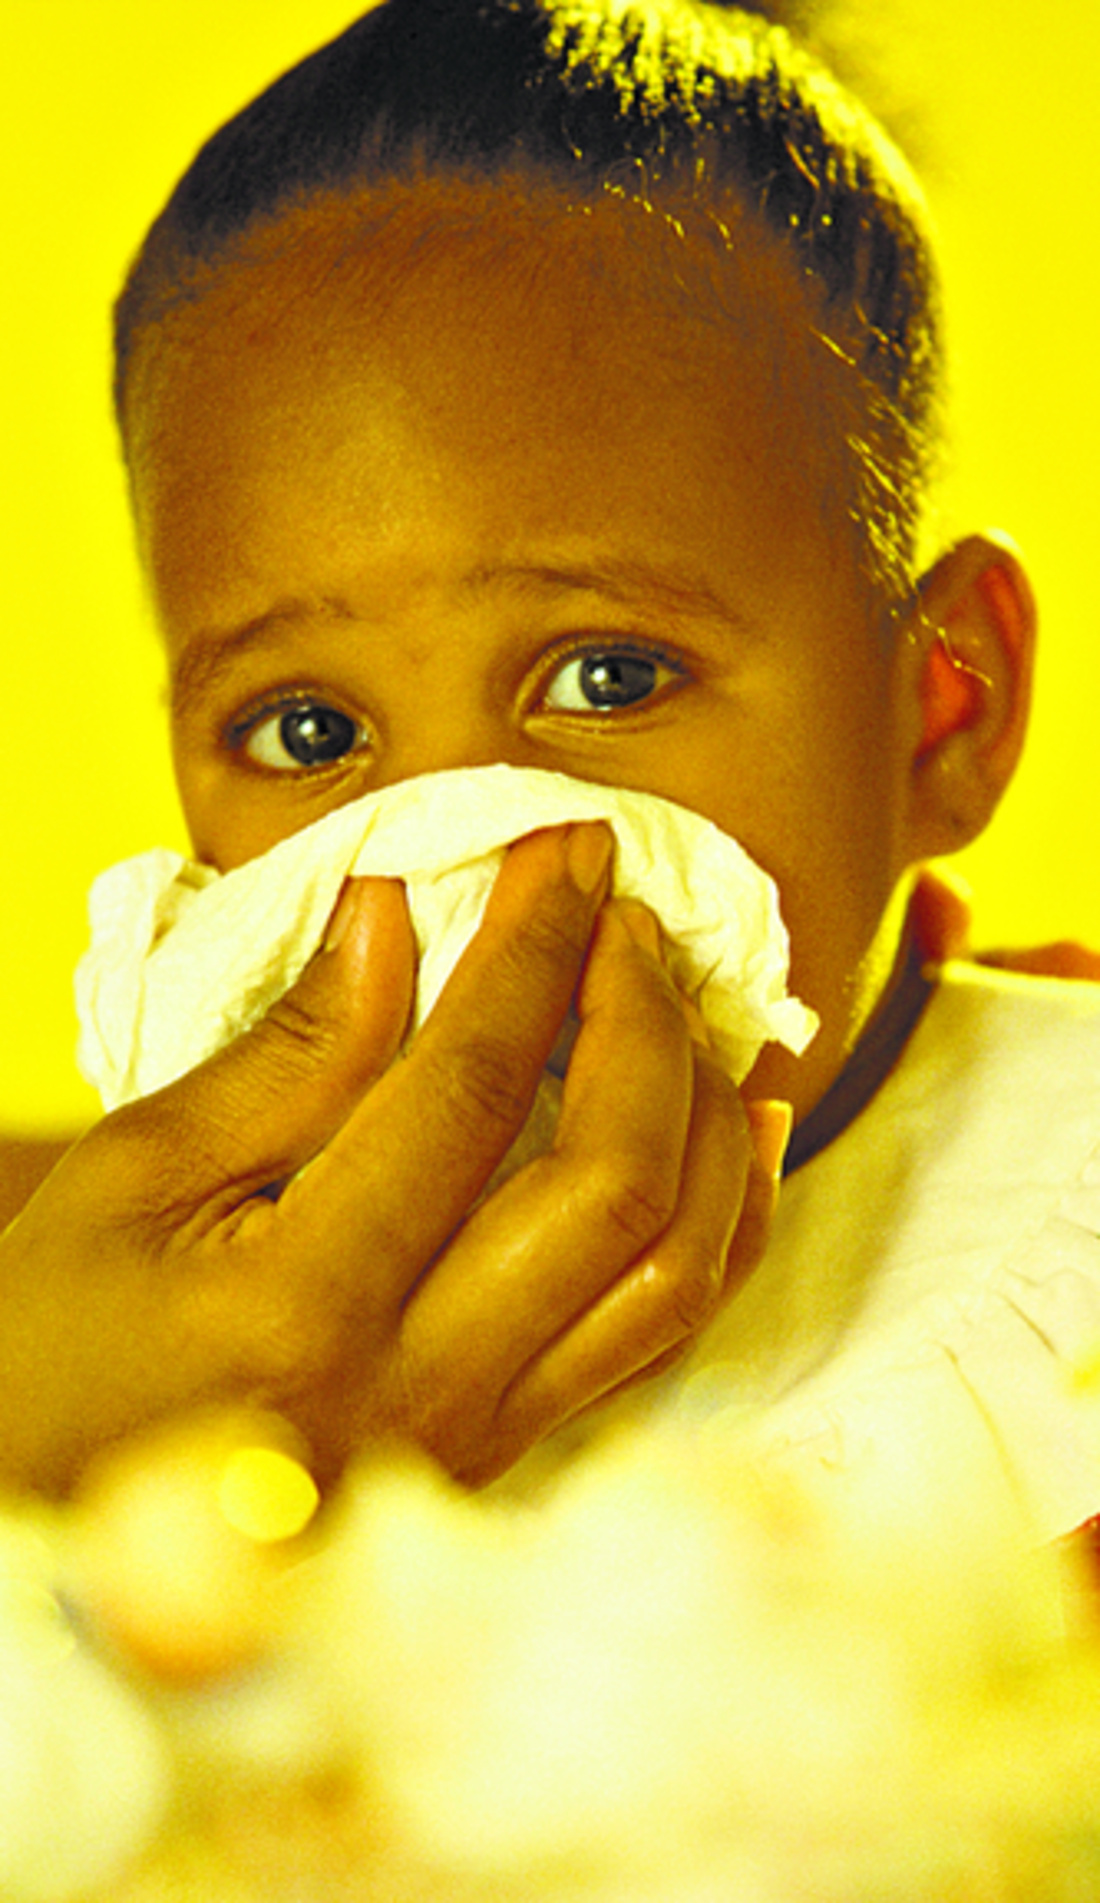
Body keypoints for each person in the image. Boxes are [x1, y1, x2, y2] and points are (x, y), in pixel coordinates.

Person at [2, 0, 1099, 1529]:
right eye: (310, 733)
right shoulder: (89, 1297)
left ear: (942, 712)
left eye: (608, 679)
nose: (470, 861)